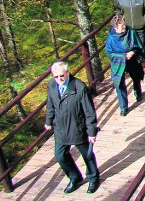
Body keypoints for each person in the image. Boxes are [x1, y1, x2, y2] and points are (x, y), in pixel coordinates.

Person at [45, 61, 100, 194]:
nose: (59, 79)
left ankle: (93, 178)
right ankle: (74, 177)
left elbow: (89, 111)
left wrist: (92, 131)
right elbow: (50, 105)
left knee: (87, 155)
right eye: (56, 76)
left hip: (77, 128)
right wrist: (48, 121)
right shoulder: (52, 86)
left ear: (68, 73)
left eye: (61, 76)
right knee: (60, 156)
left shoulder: (79, 87)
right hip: (60, 129)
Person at [105, 15, 145, 116]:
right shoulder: (111, 38)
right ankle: (123, 107)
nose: (124, 27)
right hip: (118, 62)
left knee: (136, 76)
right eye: (121, 26)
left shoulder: (130, 32)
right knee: (119, 84)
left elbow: (138, 46)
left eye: (124, 25)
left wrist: (132, 52)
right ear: (115, 28)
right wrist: (123, 56)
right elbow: (109, 53)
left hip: (132, 59)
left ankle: (138, 92)